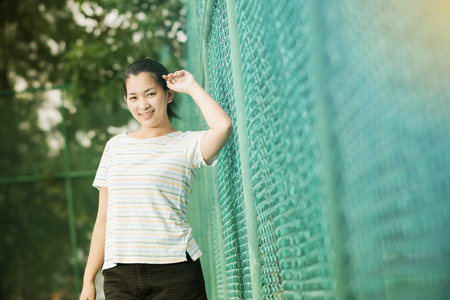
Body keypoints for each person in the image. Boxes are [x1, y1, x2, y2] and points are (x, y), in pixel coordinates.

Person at [79, 58, 233, 300]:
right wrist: (89, 280)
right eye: (133, 97)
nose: (143, 105)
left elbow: (223, 127)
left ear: (168, 95)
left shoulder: (186, 144)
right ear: (126, 101)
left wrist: (191, 86)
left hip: (176, 273)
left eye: (150, 94)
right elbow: (103, 217)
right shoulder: (114, 147)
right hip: (120, 277)